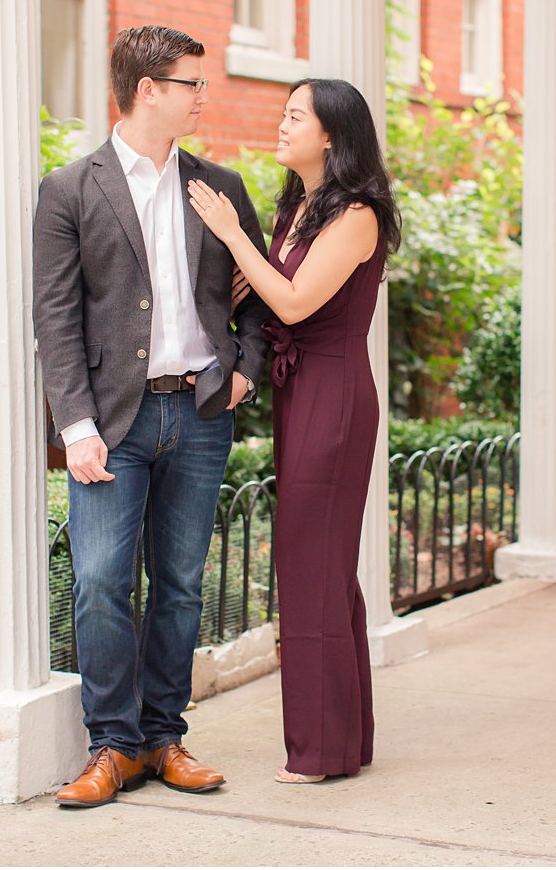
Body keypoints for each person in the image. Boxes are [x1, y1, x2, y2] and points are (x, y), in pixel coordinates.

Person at [33, 25, 271, 809]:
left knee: (179, 583)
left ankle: (165, 736)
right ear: (147, 90)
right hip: (113, 423)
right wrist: (75, 427)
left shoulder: (221, 187)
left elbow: (261, 296)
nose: (204, 96)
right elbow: (57, 319)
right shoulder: (71, 189)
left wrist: (242, 372)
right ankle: (112, 745)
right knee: (101, 581)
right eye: (192, 83)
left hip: (199, 412)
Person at [186, 77, 401, 784]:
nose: (281, 125)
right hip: (300, 390)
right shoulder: (302, 207)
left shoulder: (359, 214)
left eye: (294, 116)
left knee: (313, 569)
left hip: (335, 396)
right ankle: (346, 737)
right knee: (324, 571)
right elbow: (273, 291)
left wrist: (231, 235)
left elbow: (296, 299)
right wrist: (249, 265)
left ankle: (319, 751)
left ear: (332, 134)